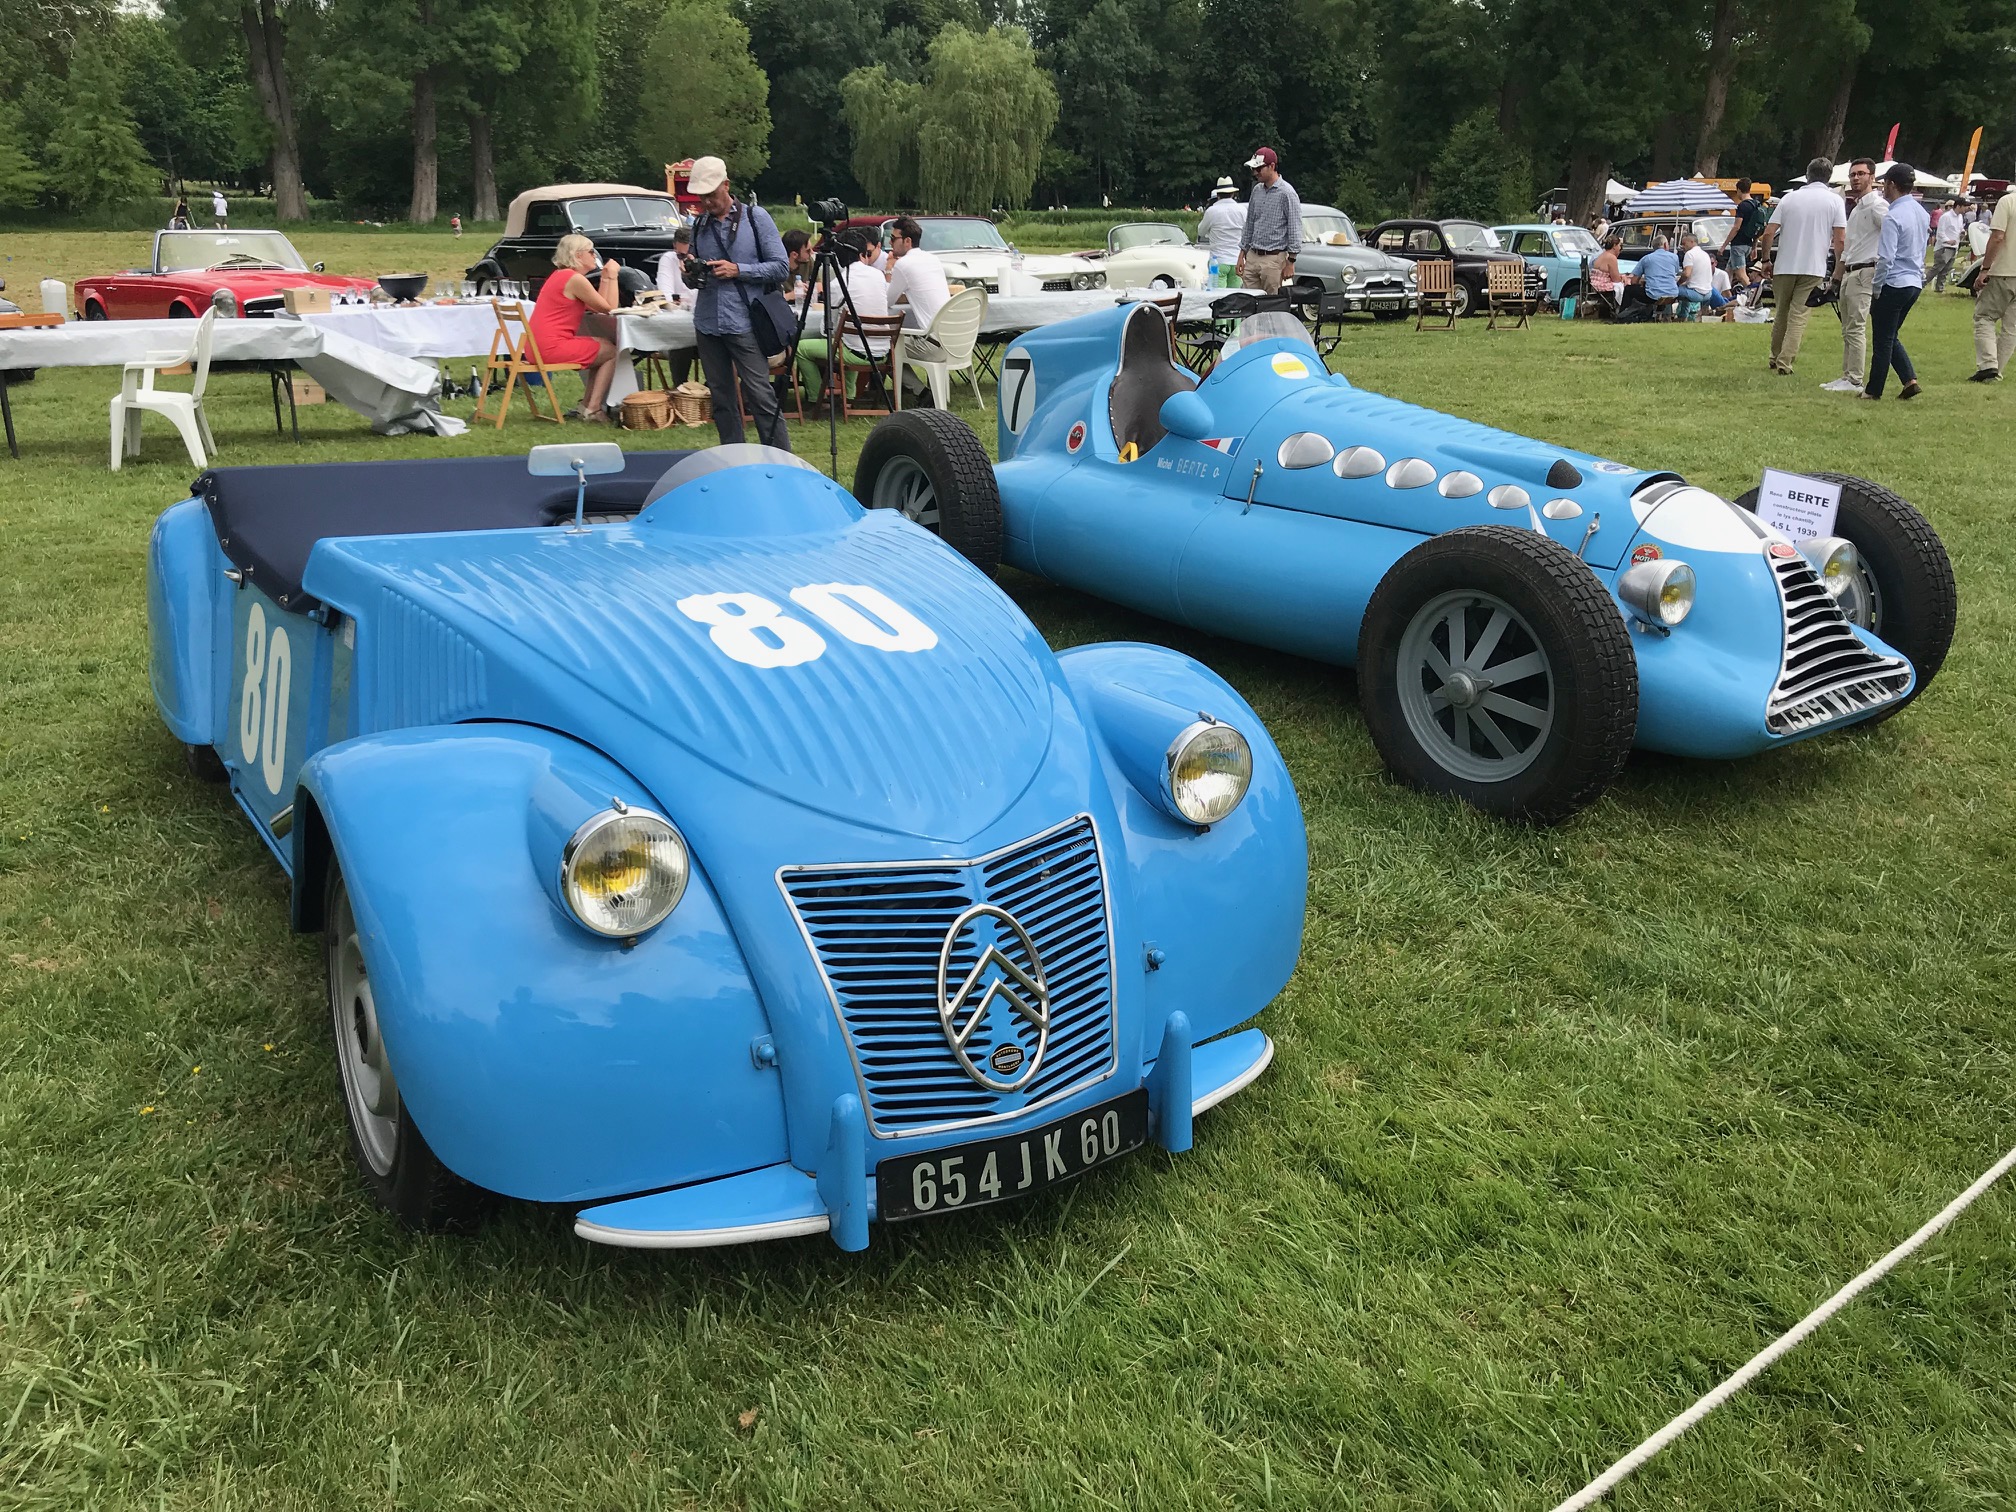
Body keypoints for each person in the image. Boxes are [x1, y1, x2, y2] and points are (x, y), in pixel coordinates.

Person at [686, 154, 792, 451]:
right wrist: (691, 272)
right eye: (702, 197)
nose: (706, 202)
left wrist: (739, 270)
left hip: (745, 321)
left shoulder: (756, 218)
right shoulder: (699, 225)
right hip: (708, 322)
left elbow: (781, 267)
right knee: (721, 398)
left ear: (726, 186)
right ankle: (733, 461)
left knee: (760, 395)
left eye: (711, 195)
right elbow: (694, 273)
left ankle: (782, 460)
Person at [1755, 158, 1845, 374]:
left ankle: (1775, 356)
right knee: (1799, 315)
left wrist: (1766, 260)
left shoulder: (1789, 198)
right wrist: (1839, 268)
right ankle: (1785, 362)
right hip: (1813, 266)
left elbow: (1768, 233)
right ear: (1829, 177)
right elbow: (1840, 238)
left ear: (1807, 175)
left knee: (1781, 313)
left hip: (1785, 264)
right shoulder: (1834, 201)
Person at [529, 233, 623, 421]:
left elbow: (601, 306)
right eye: (590, 251)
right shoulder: (574, 279)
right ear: (578, 255)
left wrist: (605, 278)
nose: (594, 255)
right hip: (550, 347)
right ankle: (594, 408)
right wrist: (613, 275)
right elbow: (611, 308)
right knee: (612, 351)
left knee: (603, 346)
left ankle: (587, 406)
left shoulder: (561, 276)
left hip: (536, 347)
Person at [793, 229, 891, 403]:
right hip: (882, 352)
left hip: (855, 351)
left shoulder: (839, 283)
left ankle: (817, 398)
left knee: (801, 348)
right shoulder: (878, 276)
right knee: (847, 338)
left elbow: (826, 328)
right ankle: (849, 396)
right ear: (863, 253)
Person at [1863, 163, 1928, 401]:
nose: (1883, 190)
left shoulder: (1893, 216)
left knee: (1882, 338)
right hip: (1913, 282)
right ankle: (1909, 379)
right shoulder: (1922, 212)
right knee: (1891, 335)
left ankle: (1873, 390)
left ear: (1892, 184)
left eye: (1885, 185)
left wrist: (1877, 287)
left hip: (1894, 282)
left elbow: (1886, 258)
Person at [1827, 158, 1887, 392]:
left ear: (1872, 177)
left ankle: (1855, 379)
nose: (1856, 178)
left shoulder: (1877, 206)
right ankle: (1847, 375)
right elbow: (1849, 247)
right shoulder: (1856, 208)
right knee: (1848, 327)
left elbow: (1892, 234)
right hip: (1851, 270)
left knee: (1856, 326)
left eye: (1861, 174)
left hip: (1865, 271)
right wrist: (1836, 277)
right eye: (1853, 174)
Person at [1237, 147, 1301, 293]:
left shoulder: (1287, 193)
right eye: (1253, 169)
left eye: (1259, 168)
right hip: (1253, 255)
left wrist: (1291, 261)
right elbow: (1250, 224)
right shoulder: (1257, 190)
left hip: (1274, 258)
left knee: (1272, 303)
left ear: (1272, 166)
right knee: (1248, 300)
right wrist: (1242, 254)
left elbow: (1294, 228)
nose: (1255, 173)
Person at [1969, 190, 2015, 382]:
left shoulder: (2008, 201)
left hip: (2004, 270)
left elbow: (1997, 236)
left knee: (1984, 316)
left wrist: (1985, 268)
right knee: (2011, 327)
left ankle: (1989, 365)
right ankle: (1996, 372)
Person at [885, 216, 951, 331]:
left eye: (893, 238)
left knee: (892, 340)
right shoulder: (933, 259)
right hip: (953, 335)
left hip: (932, 339)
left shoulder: (903, 264)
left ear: (907, 241)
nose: (890, 242)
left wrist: (889, 268)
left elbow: (887, 301)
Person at [1726, 179, 1767, 292]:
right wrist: (1754, 246)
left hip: (1738, 244)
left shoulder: (1743, 206)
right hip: (1748, 243)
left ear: (1739, 190)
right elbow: (1758, 228)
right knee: (1727, 273)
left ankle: (1754, 296)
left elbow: (1736, 227)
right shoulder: (1756, 204)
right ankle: (1724, 298)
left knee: (1740, 275)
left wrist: (1724, 245)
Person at [1197, 177, 1246, 270]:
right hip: (1236, 259)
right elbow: (1247, 233)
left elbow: (1201, 232)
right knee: (1235, 285)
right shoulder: (1242, 210)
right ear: (1232, 194)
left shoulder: (1212, 211)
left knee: (1217, 284)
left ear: (1218, 195)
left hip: (1218, 260)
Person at [1677, 232, 1727, 316]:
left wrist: (1677, 283)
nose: (1682, 246)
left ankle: (1667, 316)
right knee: (1685, 289)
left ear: (1692, 242)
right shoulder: (1705, 254)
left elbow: (1686, 274)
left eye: (1684, 244)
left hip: (1695, 294)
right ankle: (1685, 316)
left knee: (1670, 290)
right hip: (1708, 293)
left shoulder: (1689, 254)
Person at [1636, 236, 1682, 315]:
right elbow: (1676, 272)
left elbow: (1634, 279)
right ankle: (1666, 315)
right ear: (1665, 245)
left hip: (1653, 295)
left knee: (1630, 290)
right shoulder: (1674, 257)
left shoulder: (1646, 258)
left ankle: (1624, 315)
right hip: (1673, 294)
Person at [1931, 199, 1962, 291]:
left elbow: (1959, 228)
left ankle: (1940, 288)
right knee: (1937, 268)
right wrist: (1947, 241)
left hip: (1954, 246)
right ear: (1958, 206)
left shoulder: (1960, 217)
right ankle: (1922, 283)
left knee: (1946, 269)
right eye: (1965, 207)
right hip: (1944, 247)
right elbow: (1940, 232)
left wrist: (1962, 232)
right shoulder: (1946, 217)